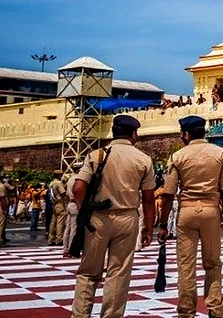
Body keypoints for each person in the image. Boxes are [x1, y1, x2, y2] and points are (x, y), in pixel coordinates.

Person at [71, 115, 156, 318]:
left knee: (88, 273)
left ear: (113, 132)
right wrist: (149, 228)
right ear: (134, 135)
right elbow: (149, 199)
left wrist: (86, 209)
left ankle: (80, 315)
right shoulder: (143, 160)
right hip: (127, 218)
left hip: (97, 219)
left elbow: (78, 188)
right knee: (118, 273)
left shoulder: (96, 155)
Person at [157, 114, 223, 318]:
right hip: (211, 210)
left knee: (186, 264)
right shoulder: (221, 154)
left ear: (186, 134)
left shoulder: (178, 156)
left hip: (187, 210)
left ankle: (186, 310)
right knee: (213, 263)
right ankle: (215, 308)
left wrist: (163, 224)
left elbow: (168, 194)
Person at [48, 172, 69, 246]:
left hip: (54, 203)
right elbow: (63, 193)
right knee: (60, 221)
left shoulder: (51, 183)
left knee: (53, 221)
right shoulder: (59, 183)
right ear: (58, 175)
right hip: (59, 203)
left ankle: (50, 238)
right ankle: (59, 239)